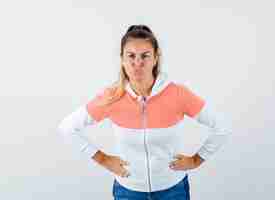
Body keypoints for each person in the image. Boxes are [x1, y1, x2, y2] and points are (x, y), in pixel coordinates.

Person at [57, 25, 231, 200]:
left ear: (155, 58)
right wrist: (104, 160)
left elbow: (221, 127)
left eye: (145, 56)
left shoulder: (178, 93)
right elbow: (67, 128)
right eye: (131, 56)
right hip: (128, 191)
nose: (137, 63)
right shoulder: (112, 97)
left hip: (172, 190)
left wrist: (196, 160)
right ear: (122, 59)